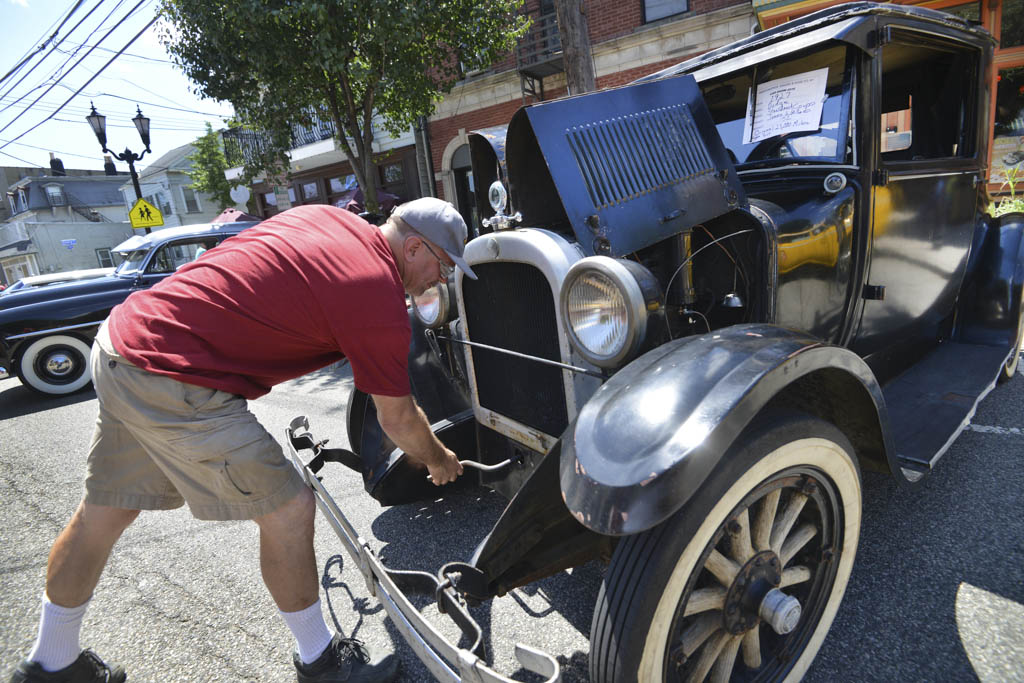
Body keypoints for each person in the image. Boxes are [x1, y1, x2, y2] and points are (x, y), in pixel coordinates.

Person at [10, 198, 476, 683]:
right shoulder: (374, 290)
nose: (438, 281)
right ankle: (322, 663)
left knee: (105, 509)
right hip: (172, 376)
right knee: (289, 509)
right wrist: (438, 459)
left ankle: (50, 662)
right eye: (442, 267)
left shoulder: (329, 217)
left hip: (123, 343)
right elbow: (398, 419)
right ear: (415, 246)